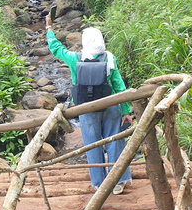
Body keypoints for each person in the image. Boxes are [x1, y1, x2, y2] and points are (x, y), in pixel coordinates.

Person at [45, 14, 133, 194]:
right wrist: (126, 110)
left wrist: (49, 29)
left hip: (86, 109)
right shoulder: (109, 58)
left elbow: (55, 48)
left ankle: (99, 183)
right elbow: (119, 85)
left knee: (92, 144)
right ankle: (118, 181)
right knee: (115, 141)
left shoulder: (75, 58)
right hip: (110, 105)